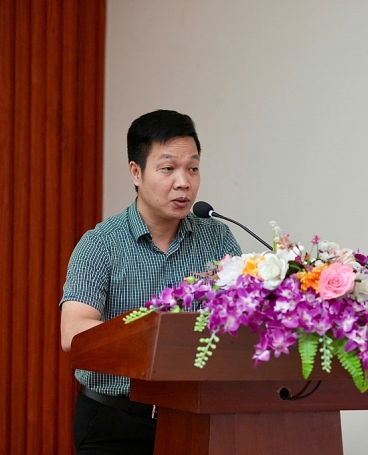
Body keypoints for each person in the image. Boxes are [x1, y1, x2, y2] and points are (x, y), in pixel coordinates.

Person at [60, 110, 242, 455]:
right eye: (168, 168)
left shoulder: (217, 239)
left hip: (196, 418)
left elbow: (244, 318)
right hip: (115, 421)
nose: (183, 182)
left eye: (192, 168)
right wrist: (156, 337)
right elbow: (73, 332)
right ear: (136, 172)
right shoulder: (100, 244)